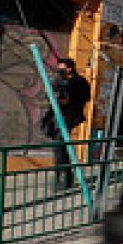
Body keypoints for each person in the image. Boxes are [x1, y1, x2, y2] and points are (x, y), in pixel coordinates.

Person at [44, 57, 91, 190]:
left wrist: (66, 97)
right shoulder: (60, 81)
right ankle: (64, 176)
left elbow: (80, 98)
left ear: (69, 68)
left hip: (69, 116)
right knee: (60, 147)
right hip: (59, 116)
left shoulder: (77, 82)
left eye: (62, 67)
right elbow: (50, 95)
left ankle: (63, 177)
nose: (59, 70)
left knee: (60, 146)